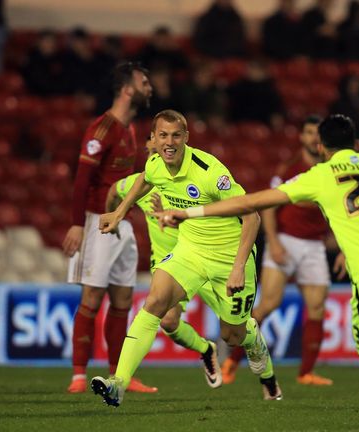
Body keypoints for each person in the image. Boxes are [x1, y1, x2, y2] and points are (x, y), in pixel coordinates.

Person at [157, 114, 359, 432]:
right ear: (357, 144)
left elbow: (253, 202)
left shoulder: (320, 174)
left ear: (320, 148)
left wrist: (187, 212)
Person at [92, 109, 282, 407]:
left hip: (230, 256)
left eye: (176, 135)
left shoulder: (210, 173)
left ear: (186, 138)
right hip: (190, 251)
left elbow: (252, 217)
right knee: (155, 303)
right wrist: (119, 212)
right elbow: (144, 179)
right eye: (163, 136)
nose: (170, 142)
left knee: (232, 335)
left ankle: (253, 340)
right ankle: (118, 383)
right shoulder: (155, 164)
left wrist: (237, 269)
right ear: (153, 139)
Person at [221, 115, 343, 387]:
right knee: (268, 304)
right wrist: (273, 242)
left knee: (317, 307)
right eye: (309, 132)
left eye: (317, 134)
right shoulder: (290, 168)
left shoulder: (329, 170)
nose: (313, 138)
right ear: (301, 137)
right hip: (285, 241)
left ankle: (306, 373)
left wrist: (337, 240)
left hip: (314, 246)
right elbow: (270, 206)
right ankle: (231, 362)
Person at [61, 62, 157, 394]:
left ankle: (119, 375)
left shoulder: (130, 130)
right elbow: (81, 181)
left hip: (122, 223)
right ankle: (77, 375)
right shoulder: (102, 129)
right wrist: (76, 224)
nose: (150, 87)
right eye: (144, 82)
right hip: (95, 222)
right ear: (128, 89)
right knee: (91, 297)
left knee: (122, 300)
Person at [105, 136, 221, 388]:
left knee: (237, 326)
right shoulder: (140, 183)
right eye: (150, 149)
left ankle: (261, 367)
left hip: (201, 255)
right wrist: (116, 218)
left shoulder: (184, 183)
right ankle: (206, 349)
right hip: (170, 262)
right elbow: (114, 190)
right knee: (168, 321)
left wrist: (169, 215)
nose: (154, 153)